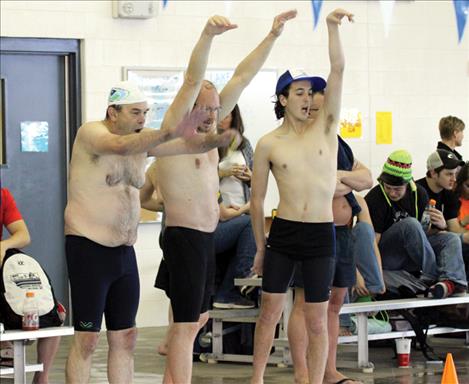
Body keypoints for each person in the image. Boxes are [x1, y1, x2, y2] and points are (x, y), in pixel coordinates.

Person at [153, 11, 297, 384]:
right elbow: (191, 79)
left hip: (205, 237)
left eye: (218, 110)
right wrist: (207, 35)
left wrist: (272, 35)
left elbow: (243, 77)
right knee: (186, 328)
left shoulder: (211, 132)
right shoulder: (176, 131)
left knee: (198, 319)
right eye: (204, 108)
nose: (212, 116)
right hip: (184, 237)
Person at [63, 80, 232, 384]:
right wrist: (171, 130)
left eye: (145, 112)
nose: (142, 119)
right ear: (112, 112)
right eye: (135, 112)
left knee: (126, 336)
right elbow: (119, 146)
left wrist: (215, 138)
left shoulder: (142, 143)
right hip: (89, 248)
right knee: (87, 339)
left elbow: (185, 145)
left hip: (124, 252)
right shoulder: (92, 133)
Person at [250, 9, 354, 384]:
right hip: (284, 232)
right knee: (269, 312)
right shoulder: (268, 144)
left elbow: (338, 69)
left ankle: (312, 380)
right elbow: (258, 200)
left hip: (319, 234)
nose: (309, 99)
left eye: (311, 92)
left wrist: (330, 27)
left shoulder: (325, 128)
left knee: (317, 318)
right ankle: (257, 379)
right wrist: (260, 248)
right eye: (300, 93)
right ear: (283, 98)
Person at [286, 86, 373, 384]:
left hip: (343, 233)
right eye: (311, 110)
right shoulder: (297, 143)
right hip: (311, 230)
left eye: (322, 110)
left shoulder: (339, 143)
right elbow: (324, 187)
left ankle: (328, 370)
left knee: (335, 304)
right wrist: (344, 180)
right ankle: (302, 373)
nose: (317, 115)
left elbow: (367, 178)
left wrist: (339, 178)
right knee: (304, 303)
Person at [364, 150, 467, 299]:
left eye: (398, 189)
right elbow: (371, 243)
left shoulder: (419, 193)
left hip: (411, 255)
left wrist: (439, 226)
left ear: (408, 183)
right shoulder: (375, 199)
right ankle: (433, 277)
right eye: (388, 188)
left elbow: (421, 236)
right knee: (410, 224)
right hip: (386, 254)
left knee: (450, 238)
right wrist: (373, 275)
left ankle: (453, 282)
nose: (392, 193)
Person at [0, 187, 61, 384]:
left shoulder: (3, 195)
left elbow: (23, 235)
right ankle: (5, 344)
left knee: (56, 312)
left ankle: (41, 378)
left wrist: (4, 245)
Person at [214, 104, 257, 309]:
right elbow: (199, 178)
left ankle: (230, 291)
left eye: (227, 115)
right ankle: (244, 277)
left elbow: (259, 180)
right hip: (220, 213)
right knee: (250, 225)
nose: (223, 119)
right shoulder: (207, 144)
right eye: (218, 114)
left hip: (240, 209)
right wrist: (221, 173)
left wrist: (250, 178)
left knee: (249, 232)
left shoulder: (244, 145)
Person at [415, 149, 468, 296]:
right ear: (433, 173)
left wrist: (449, 228)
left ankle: (453, 289)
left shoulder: (449, 192)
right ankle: (453, 283)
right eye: (449, 174)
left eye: (455, 174)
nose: (454, 179)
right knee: (451, 239)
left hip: (436, 241)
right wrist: (441, 229)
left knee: (458, 242)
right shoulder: (416, 191)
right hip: (413, 243)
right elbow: (413, 233)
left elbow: (453, 229)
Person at [454, 162, 469, 276]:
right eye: (468, 186)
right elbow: (451, 232)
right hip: (459, 245)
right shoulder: (453, 200)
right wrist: (465, 220)